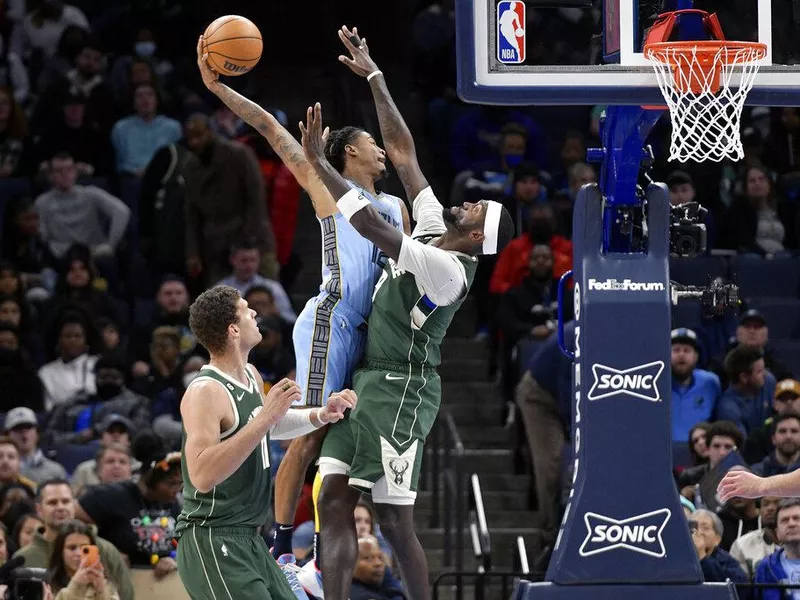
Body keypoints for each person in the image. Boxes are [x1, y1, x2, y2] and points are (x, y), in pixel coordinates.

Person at [305, 27, 513, 600]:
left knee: (394, 521)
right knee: (332, 498)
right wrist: (374, 76)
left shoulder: (448, 270)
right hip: (374, 380)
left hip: (404, 391)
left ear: (477, 235)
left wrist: (318, 164)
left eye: (479, 207)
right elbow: (402, 153)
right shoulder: (431, 227)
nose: (468, 199)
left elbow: (370, 225)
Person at [195, 37, 410, 561]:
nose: (382, 149)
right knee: (309, 431)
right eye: (370, 143)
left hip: (370, 331)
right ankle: (274, 548)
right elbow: (271, 129)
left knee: (342, 444)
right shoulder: (328, 191)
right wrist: (218, 87)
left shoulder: (398, 208)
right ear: (350, 152)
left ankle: (316, 546)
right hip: (331, 319)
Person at [175, 285, 356, 600]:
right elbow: (202, 476)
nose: (255, 313)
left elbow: (265, 429)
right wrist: (264, 418)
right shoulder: (204, 391)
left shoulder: (250, 374)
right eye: (246, 309)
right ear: (233, 329)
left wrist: (321, 415)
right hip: (212, 538)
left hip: (250, 538)